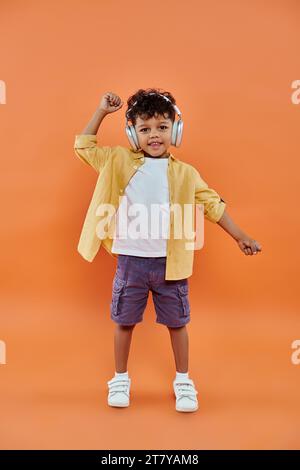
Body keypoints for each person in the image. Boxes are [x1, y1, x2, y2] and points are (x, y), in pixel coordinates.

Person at [74, 88, 262, 413]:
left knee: (178, 323)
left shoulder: (185, 174)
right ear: (132, 133)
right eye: (144, 129)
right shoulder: (117, 160)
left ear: (175, 130)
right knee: (124, 321)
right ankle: (120, 379)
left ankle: (183, 380)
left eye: (162, 127)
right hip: (130, 263)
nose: (154, 135)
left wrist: (239, 235)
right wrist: (102, 111)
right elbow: (84, 146)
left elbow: (212, 205)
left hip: (170, 265)